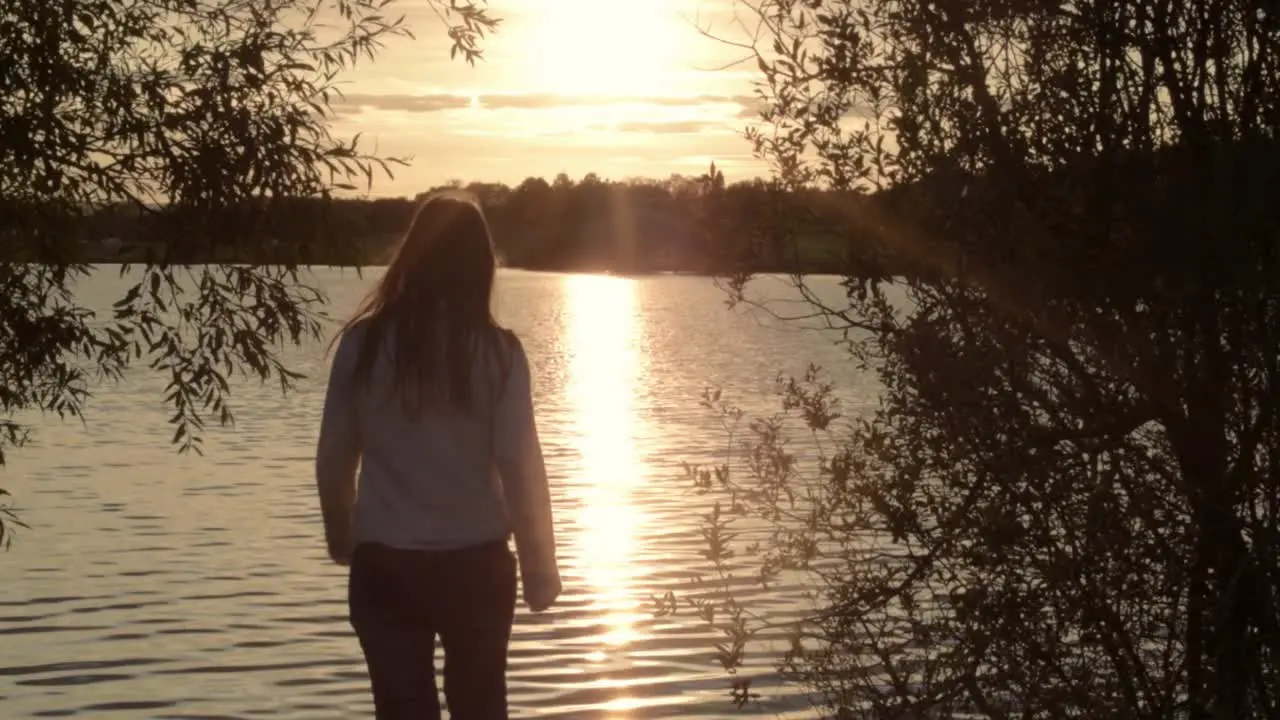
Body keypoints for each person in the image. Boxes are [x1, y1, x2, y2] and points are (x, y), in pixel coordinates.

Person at [313, 189, 562, 720]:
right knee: (480, 709)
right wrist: (541, 565)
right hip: (475, 566)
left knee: (402, 711)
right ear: (479, 265)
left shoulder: (363, 346)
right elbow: (520, 464)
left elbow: (335, 457)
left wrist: (341, 535)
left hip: (385, 566)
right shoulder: (499, 354)